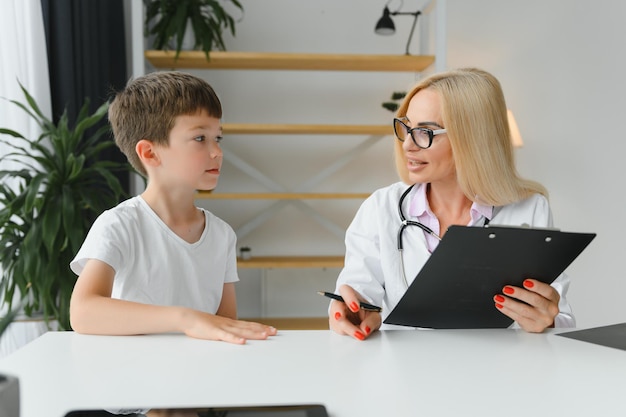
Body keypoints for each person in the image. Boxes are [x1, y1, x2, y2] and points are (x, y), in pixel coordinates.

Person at [329, 67, 575, 340]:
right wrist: (352, 311)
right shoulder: (381, 207)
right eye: (407, 127)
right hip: (404, 373)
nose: (408, 144)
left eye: (425, 131)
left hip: (498, 373)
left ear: (472, 138)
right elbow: (358, 289)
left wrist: (546, 321)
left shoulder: (529, 210)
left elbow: (560, 316)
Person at [69, 71, 276, 344]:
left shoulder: (221, 234)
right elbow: (83, 312)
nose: (217, 152)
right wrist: (184, 319)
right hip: (132, 378)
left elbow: (224, 325)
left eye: (218, 138)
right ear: (150, 153)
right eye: (201, 138)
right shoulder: (119, 225)